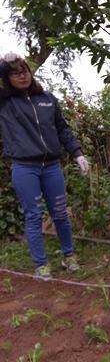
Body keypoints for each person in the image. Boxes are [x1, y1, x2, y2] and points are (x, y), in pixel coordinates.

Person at [0, 53, 90, 280]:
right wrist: (3, 64)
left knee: (60, 212)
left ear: (31, 72)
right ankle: (41, 265)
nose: (22, 76)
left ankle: (68, 256)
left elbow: (62, 129)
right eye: (15, 73)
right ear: (7, 78)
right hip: (24, 167)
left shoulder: (48, 99)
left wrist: (77, 153)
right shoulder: (6, 103)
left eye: (24, 71)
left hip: (51, 167)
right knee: (33, 215)